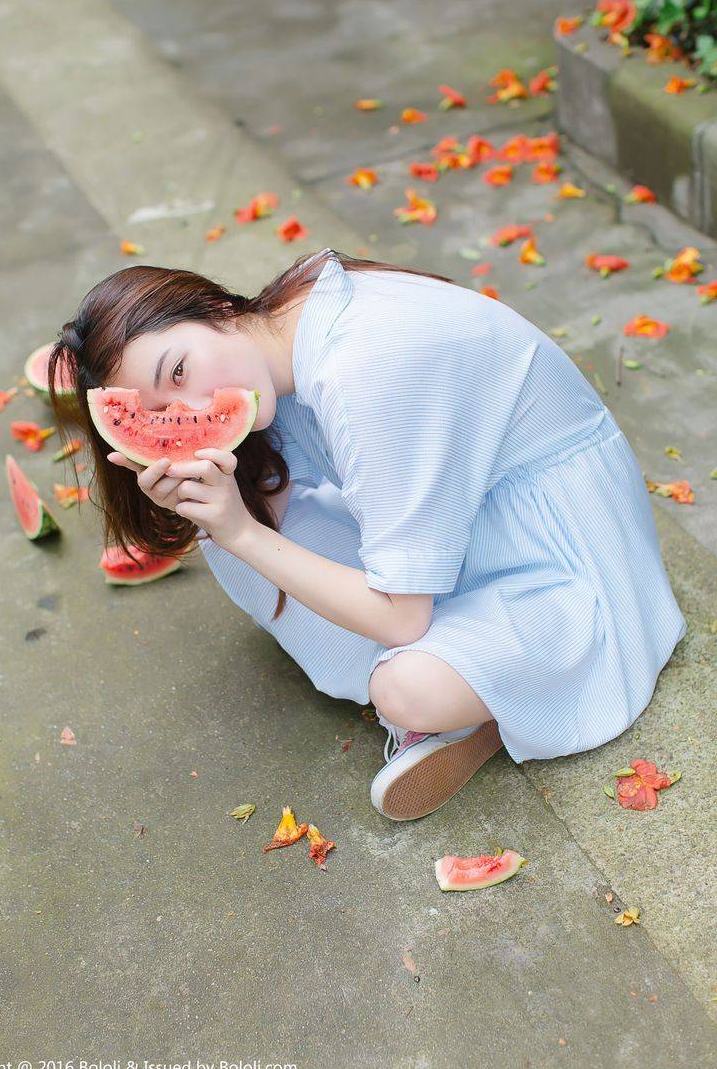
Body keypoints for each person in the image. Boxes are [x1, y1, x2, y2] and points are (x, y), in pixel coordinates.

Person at [48, 246, 687, 822]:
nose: (191, 414)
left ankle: (472, 697)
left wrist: (242, 532)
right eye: (158, 418)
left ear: (213, 305)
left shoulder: (367, 368)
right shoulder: (290, 320)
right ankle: (474, 679)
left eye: (178, 371)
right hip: (462, 527)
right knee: (224, 516)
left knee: (403, 685)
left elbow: (401, 619)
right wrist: (212, 509)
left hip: (560, 553)